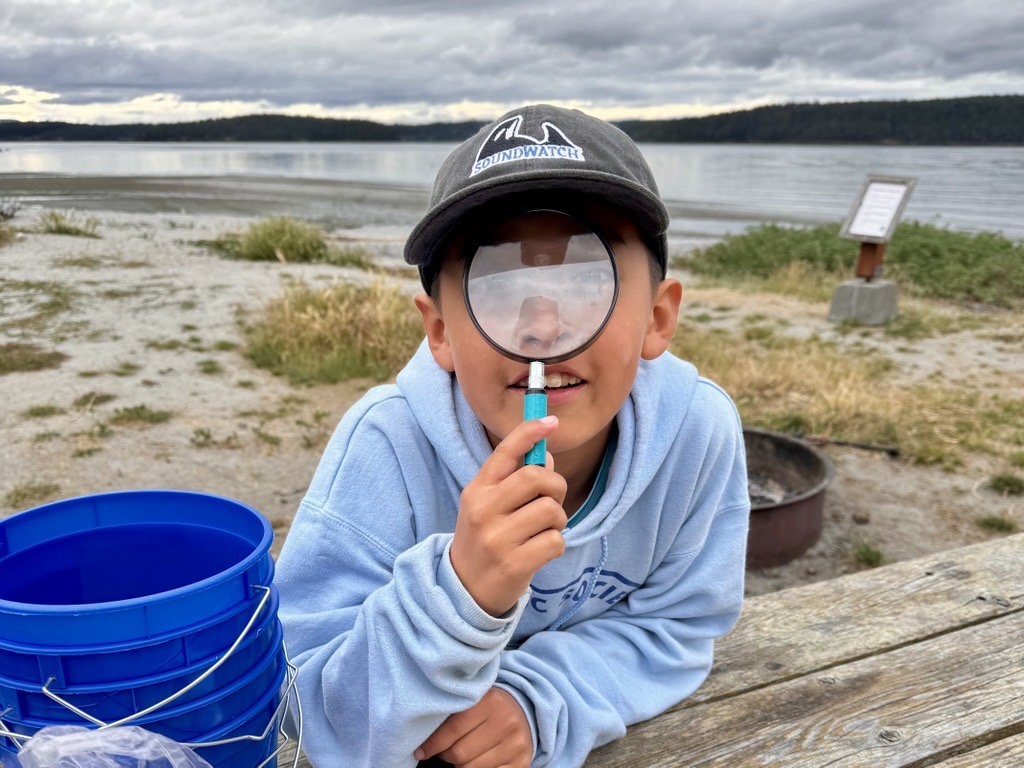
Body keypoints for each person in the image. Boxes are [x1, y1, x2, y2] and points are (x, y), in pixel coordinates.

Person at [275, 104, 750, 768]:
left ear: (658, 317)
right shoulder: (386, 445)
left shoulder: (697, 435)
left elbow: (680, 626)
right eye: (497, 283)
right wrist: (459, 593)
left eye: (586, 278)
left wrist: (539, 699)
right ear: (438, 329)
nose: (543, 328)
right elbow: (310, 700)